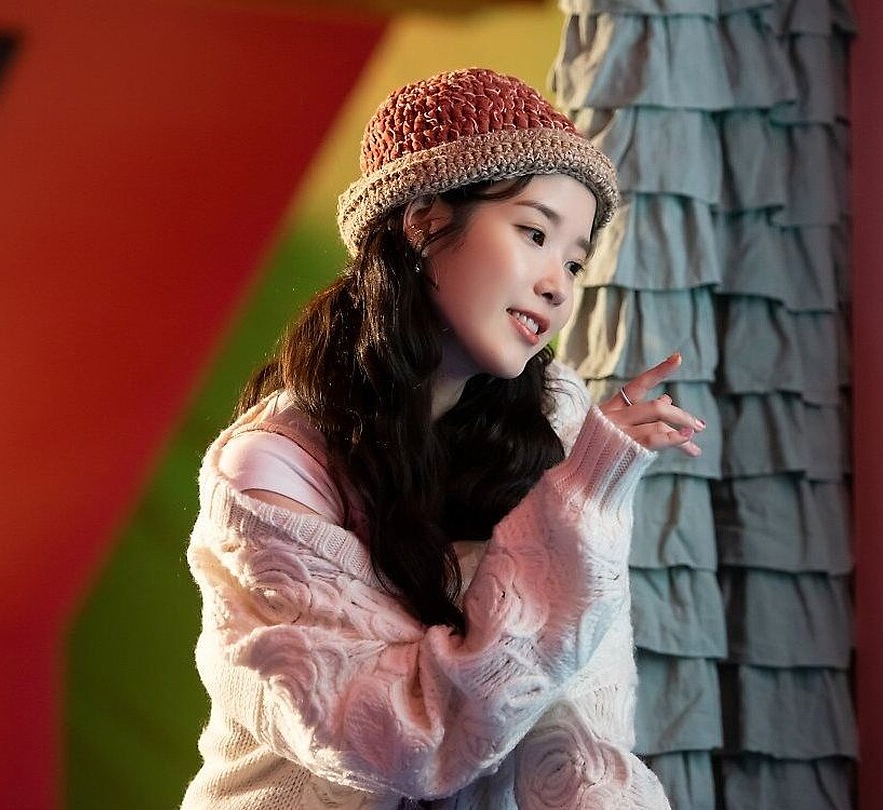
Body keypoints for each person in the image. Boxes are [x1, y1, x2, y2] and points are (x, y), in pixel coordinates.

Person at [182, 67, 704, 809]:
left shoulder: (555, 422)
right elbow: (404, 739)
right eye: (534, 233)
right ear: (424, 221)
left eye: (575, 260)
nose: (558, 285)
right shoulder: (267, 470)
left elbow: (584, 730)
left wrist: (586, 489)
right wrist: (577, 501)